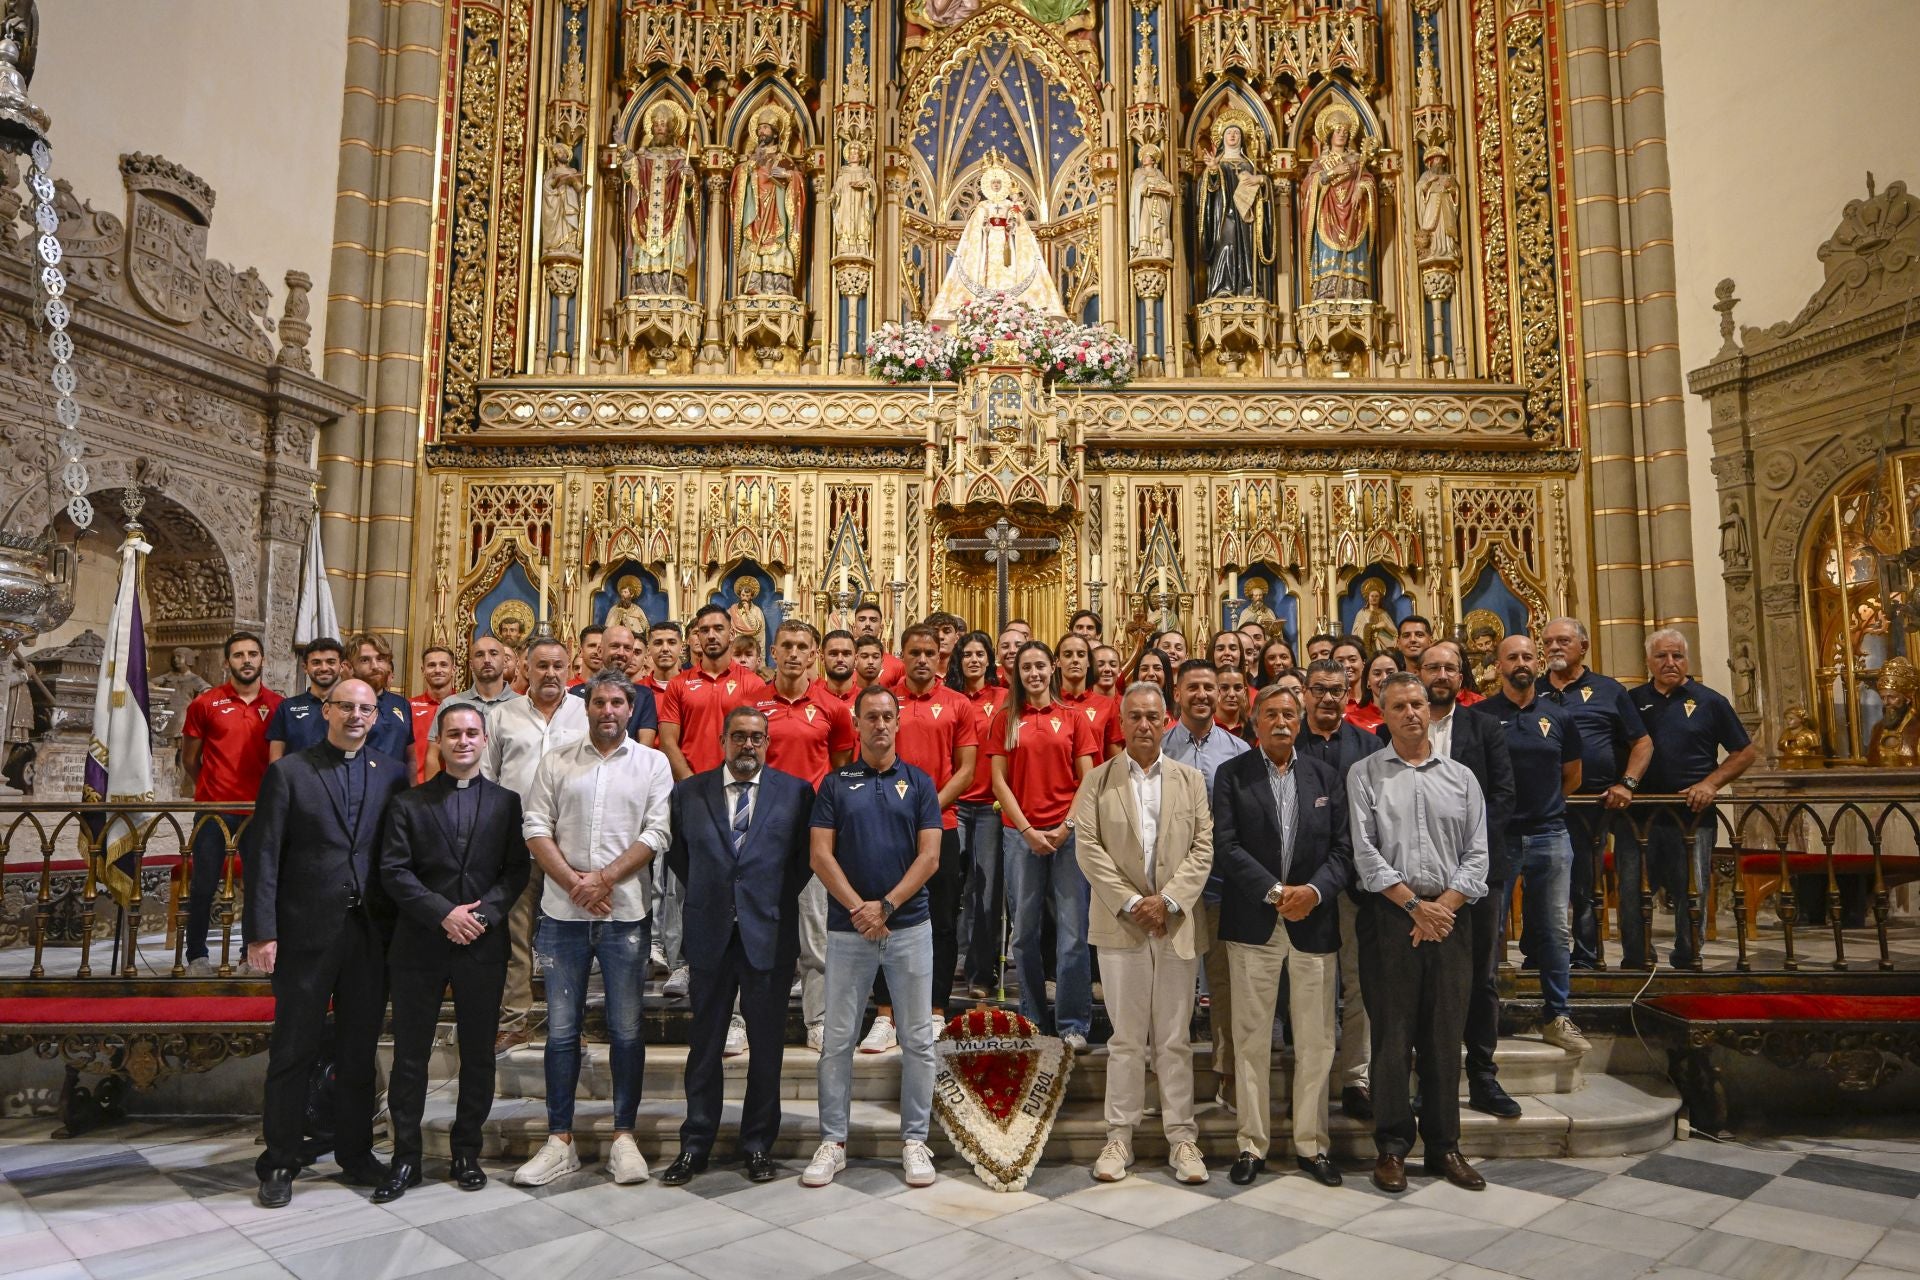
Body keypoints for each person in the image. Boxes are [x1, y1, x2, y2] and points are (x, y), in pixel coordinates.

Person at [245, 679, 410, 1208]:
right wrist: (261, 932)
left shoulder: (392, 774)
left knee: (359, 1051)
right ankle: (280, 1160)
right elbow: (264, 855)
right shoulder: (289, 771)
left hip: (368, 934)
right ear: (326, 710)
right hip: (304, 931)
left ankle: (356, 1152)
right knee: (294, 1048)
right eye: (347, 707)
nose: (357, 716)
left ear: (376, 714)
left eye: (367, 708)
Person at [515, 671, 673, 1187]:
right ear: (586, 708)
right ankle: (559, 1139)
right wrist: (575, 883)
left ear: (631, 710)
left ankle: (623, 1137)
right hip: (563, 916)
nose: (607, 710)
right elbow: (535, 825)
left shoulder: (652, 764)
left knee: (627, 1031)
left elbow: (657, 830)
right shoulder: (557, 760)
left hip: (624, 914)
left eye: (617, 703)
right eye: (599, 701)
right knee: (561, 1033)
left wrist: (603, 878)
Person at [376, 702, 528, 1201]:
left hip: (481, 945)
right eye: (453, 734)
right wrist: (444, 913)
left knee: (479, 1055)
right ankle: (406, 1157)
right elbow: (395, 871)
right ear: (438, 742)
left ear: (485, 741)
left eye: (471, 733)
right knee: (411, 1056)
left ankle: (466, 1152)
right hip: (420, 943)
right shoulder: (408, 803)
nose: (463, 741)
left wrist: (481, 916)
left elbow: (515, 872)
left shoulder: (507, 802)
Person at [1349, 673, 1488, 1194]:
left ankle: (1445, 1146)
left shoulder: (1461, 777)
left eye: (1418, 704)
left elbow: (1478, 852)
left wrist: (1445, 906)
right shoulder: (1365, 775)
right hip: (1390, 918)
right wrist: (1414, 906)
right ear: (1382, 714)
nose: (1410, 713)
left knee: (1444, 1037)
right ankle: (1391, 1147)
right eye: (1399, 706)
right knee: (1392, 1036)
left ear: (1431, 710)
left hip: (1451, 918)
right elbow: (1365, 853)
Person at [662, 706, 813, 1186]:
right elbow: (681, 858)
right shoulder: (689, 793)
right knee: (704, 1046)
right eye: (739, 737)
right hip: (709, 933)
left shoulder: (795, 793)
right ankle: (695, 1144)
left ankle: (757, 1145)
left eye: (757, 738)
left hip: (768, 930)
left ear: (767, 743)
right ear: (722, 741)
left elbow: (803, 862)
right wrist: (720, 896)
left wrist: (759, 899)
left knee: (767, 1047)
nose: (748, 746)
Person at [802, 686, 944, 1189]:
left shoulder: (920, 782)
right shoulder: (836, 784)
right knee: (838, 1041)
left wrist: (885, 906)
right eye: (871, 717)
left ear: (898, 722)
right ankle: (833, 1141)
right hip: (848, 931)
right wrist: (859, 910)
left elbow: (930, 857)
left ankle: (915, 1141)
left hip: (908, 928)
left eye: (888, 716)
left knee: (918, 1041)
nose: (880, 725)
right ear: (857, 725)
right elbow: (821, 855)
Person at [1212, 685, 1352, 1187]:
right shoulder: (1233, 775)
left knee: (1315, 1042)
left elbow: (1343, 850)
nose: (1280, 722)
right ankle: (1252, 1145)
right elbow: (1225, 847)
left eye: (1289, 714)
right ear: (1255, 721)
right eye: (1270, 713)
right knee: (1251, 1041)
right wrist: (1275, 893)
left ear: (1301, 720)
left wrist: (1312, 892)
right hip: (1254, 921)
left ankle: (1312, 1146)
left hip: (1313, 923)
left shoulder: (1326, 777)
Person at [1075, 682, 1214, 1186]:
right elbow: (1088, 849)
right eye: (1134, 716)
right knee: (1127, 1038)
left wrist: (1168, 900)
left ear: (1167, 720)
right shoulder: (1098, 780)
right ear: (1122, 722)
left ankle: (1182, 1139)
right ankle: (1120, 1136)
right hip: (1121, 925)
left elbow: (1203, 848)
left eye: (1154, 717)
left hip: (1175, 923)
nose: (1145, 726)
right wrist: (1134, 902)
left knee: (1175, 1039)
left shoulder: (1190, 779)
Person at [1394, 640, 1516, 1118]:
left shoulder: (1483, 727)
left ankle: (1483, 1075)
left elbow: (1502, 796)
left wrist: (1463, 873)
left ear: (1462, 677)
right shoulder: (1399, 730)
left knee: (1480, 977)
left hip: (1476, 879)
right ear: (1417, 672)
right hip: (1415, 887)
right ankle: (1430, 1080)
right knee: (1425, 984)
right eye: (1432, 667)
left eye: (1450, 667)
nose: (1441, 674)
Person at [1472, 634, 1590, 1054]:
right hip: (1497, 837)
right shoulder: (1480, 716)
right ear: (1498, 665)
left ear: (1537, 663)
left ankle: (1557, 1015)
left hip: (1550, 833)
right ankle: (1479, 1016)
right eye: (1512, 657)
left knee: (1555, 931)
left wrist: (1545, 804)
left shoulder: (1559, 716)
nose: (1520, 663)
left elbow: (1571, 775)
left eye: (1527, 656)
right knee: (1489, 931)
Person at [867, 625, 976, 1049]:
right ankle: (885, 1015)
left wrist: (926, 811)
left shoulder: (957, 704)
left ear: (940, 656)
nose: (923, 660)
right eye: (915, 652)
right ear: (903, 654)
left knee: (943, 921)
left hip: (940, 828)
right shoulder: (883, 702)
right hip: (887, 828)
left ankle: (935, 1009)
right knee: (884, 916)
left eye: (930, 652)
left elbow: (965, 769)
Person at [986, 641, 1098, 1049]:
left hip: (1068, 835)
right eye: (1025, 667)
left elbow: (1088, 779)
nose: (1033, 673)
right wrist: (1027, 830)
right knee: (1024, 933)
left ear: (1052, 668)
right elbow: (999, 781)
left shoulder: (1071, 717)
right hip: (1022, 836)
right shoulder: (1005, 719)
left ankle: (1072, 1023)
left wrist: (1066, 826)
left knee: (1073, 932)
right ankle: (1033, 1016)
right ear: (1016, 672)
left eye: (1039, 665)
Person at [482, 636, 589, 1053]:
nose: (550, 673)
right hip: (516, 843)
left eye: (558, 666)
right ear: (524, 667)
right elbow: (488, 779)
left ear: (569, 667)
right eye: (541, 665)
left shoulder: (585, 713)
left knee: (569, 937)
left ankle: (569, 1023)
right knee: (515, 935)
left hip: (571, 842)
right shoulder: (503, 716)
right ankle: (515, 1019)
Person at [758, 620, 856, 1053]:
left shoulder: (831, 707)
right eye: (787, 646)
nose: (795, 653)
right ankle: (749, 1018)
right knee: (757, 929)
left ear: (814, 654)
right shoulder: (753, 702)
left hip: (813, 831)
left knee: (816, 932)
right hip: (763, 829)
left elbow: (838, 767)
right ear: (773, 652)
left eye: (803, 646)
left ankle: (817, 1019)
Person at [1631, 629, 1755, 969]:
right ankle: (1639, 961)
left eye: (1678, 656)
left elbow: (1744, 751)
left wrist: (1711, 784)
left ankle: (1688, 959)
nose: (1670, 663)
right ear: (1648, 661)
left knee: (1693, 892)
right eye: (1662, 656)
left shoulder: (1710, 701)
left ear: (1687, 659)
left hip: (1693, 815)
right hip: (1641, 815)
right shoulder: (1632, 700)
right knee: (1636, 893)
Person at [1294, 657, 1384, 1119]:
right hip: (1304, 885)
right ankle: (1311, 1078)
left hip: (1356, 884)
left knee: (1358, 984)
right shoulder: (1287, 742)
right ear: (1304, 694)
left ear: (1349, 695)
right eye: (1319, 689)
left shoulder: (1371, 746)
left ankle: (1355, 1079)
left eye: (1336, 690)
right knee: (1311, 987)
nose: (1327, 697)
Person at [1161, 659, 1252, 1110]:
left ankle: (1227, 1072)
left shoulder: (1237, 751)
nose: (1202, 695)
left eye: (1209, 688)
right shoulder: (1156, 747)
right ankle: (1166, 1080)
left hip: (1220, 884)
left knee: (1223, 984)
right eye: (1192, 687)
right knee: (1170, 988)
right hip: (1170, 886)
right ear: (1176, 694)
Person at [1538, 617, 1652, 969]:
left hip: (1597, 802)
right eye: (1548, 642)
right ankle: (1545, 954)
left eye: (1563, 641)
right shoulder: (1534, 689)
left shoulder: (1608, 690)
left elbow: (1642, 743)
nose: (1554, 647)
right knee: (1549, 884)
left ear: (1583, 646)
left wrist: (1628, 783)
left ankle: (1588, 955)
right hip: (1547, 803)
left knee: (1588, 883)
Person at [179, 632, 283, 975]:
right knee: (204, 883)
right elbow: (190, 759)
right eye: (238, 655)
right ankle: (196, 955)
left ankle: (248, 956)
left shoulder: (279, 705)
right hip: (214, 809)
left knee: (258, 885)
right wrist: (210, 788)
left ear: (263, 659)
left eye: (253, 654)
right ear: (227, 662)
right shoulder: (205, 703)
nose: (247, 660)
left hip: (260, 811)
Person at [952, 630, 1011, 998]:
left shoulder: (1004, 698)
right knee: (954, 888)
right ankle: (948, 962)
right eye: (967, 654)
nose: (974, 659)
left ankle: (980, 973)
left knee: (987, 892)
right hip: (955, 804)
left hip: (990, 806)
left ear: (990, 660)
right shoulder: (951, 698)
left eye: (980, 653)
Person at [659, 605, 768, 783]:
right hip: (690, 783)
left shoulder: (753, 683)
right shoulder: (678, 684)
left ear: (731, 634)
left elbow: (759, 741)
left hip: (739, 784)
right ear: (697, 636)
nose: (711, 635)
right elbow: (667, 741)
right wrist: (689, 781)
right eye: (704, 630)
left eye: (718, 629)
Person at [423, 635, 521, 778]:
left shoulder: (523, 705)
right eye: (479, 655)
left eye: (493, 654)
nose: (487, 660)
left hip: (510, 793)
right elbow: (434, 755)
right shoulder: (451, 704)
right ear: (470, 664)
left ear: (504, 661)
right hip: (459, 792)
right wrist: (432, 798)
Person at [572, 623, 660, 746]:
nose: (621, 653)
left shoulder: (644, 695)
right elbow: (571, 738)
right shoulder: (575, 693)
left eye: (627, 648)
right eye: (615, 646)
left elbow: (645, 745)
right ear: (600, 650)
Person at [265, 636, 345, 761]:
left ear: (342, 666)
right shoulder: (287, 708)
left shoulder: (353, 707)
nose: (324, 668)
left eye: (331, 662)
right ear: (305, 668)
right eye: (316, 663)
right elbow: (275, 761)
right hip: (296, 780)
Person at [348, 632, 417, 763]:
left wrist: (412, 783)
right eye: (365, 660)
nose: (375, 666)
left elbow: (410, 755)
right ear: (351, 666)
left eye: (380, 659)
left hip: (398, 782)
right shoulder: (343, 704)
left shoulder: (402, 704)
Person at [1055, 633, 1123, 760]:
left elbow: (1116, 762)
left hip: (1095, 779)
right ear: (1057, 662)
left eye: (1081, 655)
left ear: (1088, 662)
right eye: (1068, 654)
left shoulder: (1107, 705)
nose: (1075, 660)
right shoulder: (1049, 702)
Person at [408, 645, 458, 782]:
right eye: (431, 665)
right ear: (423, 670)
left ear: (453, 670)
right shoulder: (408, 707)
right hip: (414, 787)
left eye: (443, 665)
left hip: (453, 787)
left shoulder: (465, 707)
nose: (437, 670)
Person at [1346, 649, 1404, 733]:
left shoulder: (1411, 714)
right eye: (1377, 673)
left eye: (1390, 673)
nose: (1384, 678)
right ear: (1368, 681)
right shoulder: (1352, 720)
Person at [851, 600, 906, 686]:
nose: (867, 624)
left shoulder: (897, 665)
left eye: (873, 620)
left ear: (881, 627)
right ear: (854, 626)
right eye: (862, 619)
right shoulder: (844, 663)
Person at [815, 629, 860, 709]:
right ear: (822, 659)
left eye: (846, 654)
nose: (840, 659)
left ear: (856, 659)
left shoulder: (867, 700)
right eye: (833, 654)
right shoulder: (811, 699)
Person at [640, 621, 682, 699]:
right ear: (648, 649)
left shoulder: (695, 686)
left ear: (681, 648)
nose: (665, 649)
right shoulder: (637, 689)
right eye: (658, 643)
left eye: (671, 642)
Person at [1215, 664, 1252, 740]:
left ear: (1244, 693)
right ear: (1214, 691)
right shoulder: (1203, 727)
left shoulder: (1254, 729)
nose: (1232, 694)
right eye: (1224, 688)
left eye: (1237, 688)